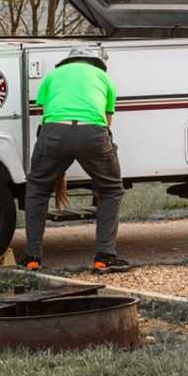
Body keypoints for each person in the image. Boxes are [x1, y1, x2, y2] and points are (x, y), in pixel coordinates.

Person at [20, 43, 129, 274]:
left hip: (54, 133)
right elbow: (107, 121)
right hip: (93, 134)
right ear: (94, 64)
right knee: (110, 189)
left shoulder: (53, 77)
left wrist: (59, 166)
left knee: (37, 189)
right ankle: (104, 257)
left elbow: (46, 114)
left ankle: (31, 258)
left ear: (68, 63)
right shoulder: (104, 77)